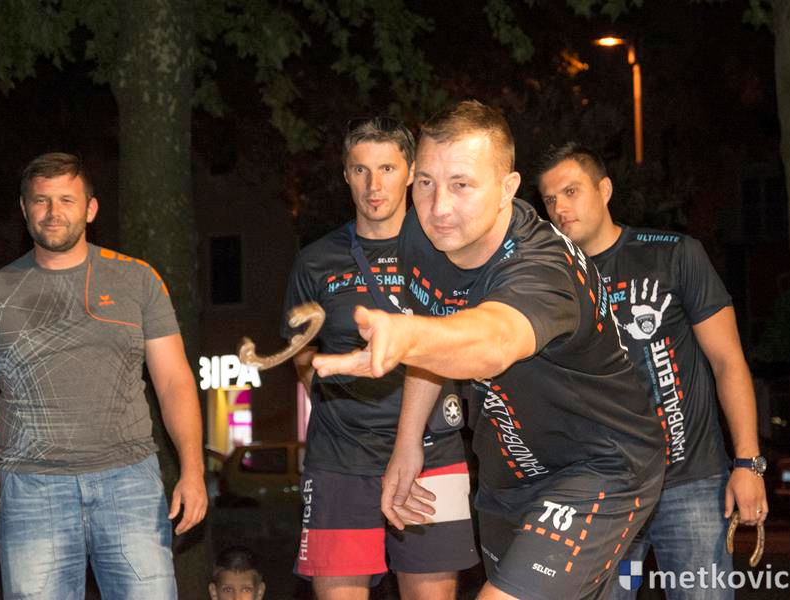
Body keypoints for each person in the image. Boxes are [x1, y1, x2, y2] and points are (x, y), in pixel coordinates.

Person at [312, 100, 666, 600]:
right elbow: (434, 331)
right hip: (508, 473)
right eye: (426, 182)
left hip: (601, 466)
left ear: (507, 188)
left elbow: (493, 340)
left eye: (461, 185)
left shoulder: (542, 266)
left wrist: (410, 338)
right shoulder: (419, 236)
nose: (438, 207)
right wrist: (407, 442)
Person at [0, 153, 207, 599]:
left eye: (66, 199)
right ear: (24, 209)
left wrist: (193, 470)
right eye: (41, 200)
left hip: (130, 483)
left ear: (91, 208)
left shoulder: (138, 281)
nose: (53, 212)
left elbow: (175, 382)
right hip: (32, 490)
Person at [537, 143, 767, 599]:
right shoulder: (550, 282)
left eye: (571, 191)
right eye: (549, 199)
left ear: (604, 190)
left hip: (690, 482)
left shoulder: (674, 254)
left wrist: (748, 463)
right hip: (604, 491)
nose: (560, 208)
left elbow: (727, 361)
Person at [282, 116, 478, 599]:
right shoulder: (315, 260)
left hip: (433, 453)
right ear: (346, 175)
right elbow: (301, 352)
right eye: (361, 170)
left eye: (387, 169)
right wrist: (337, 404)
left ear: (411, 172)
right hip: (341, 458)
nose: (374, 185)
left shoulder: (444, 250)